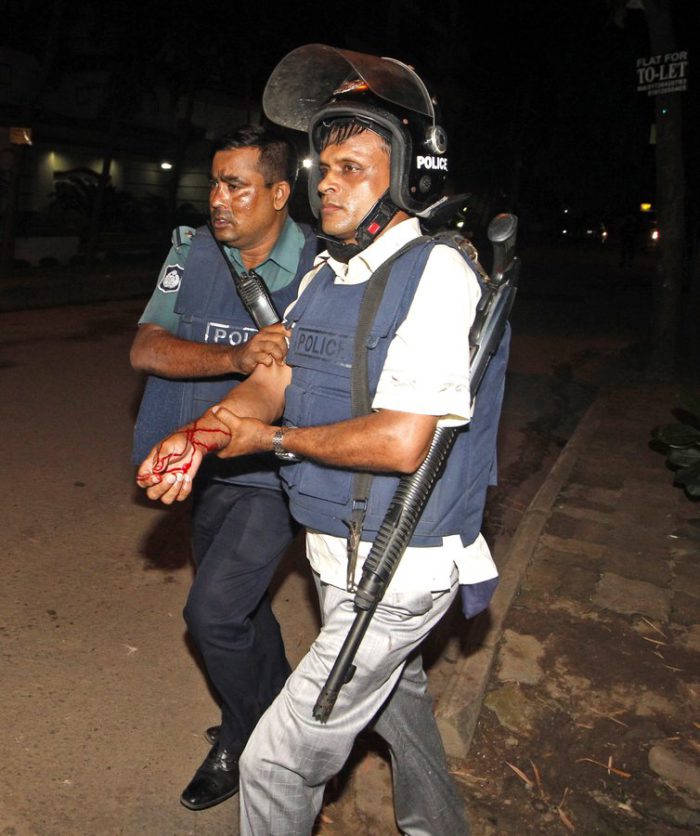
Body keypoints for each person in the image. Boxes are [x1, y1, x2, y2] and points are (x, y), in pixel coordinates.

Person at [137, 45, 509, 835]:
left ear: (410, 174)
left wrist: (275, 439)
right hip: (337, 551)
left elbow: (403, 440)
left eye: (352, 166)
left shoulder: (436, 273)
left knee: (277, 761)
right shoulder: (324, 274)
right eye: (324, 165)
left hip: (397, 565)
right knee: (398, 706)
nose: (327, 182)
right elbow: (273, 377)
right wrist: (203, 437)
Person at [130, 124, 317, 811]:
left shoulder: (321, 269)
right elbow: (147, 348)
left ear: (277, 192)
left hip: (272, 471)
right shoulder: (193, 253)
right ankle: (279, 707)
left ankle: (248, 741)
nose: (218, 198)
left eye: (235, 184)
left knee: (209, 613)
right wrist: (235, 358)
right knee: (236, 608)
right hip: (206, 470)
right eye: (213, 181)